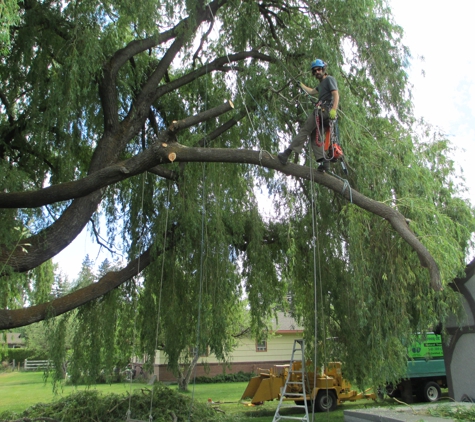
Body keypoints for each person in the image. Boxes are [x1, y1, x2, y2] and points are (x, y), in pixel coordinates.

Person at [277, 59, 339, 172]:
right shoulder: (321, 85)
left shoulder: (329, 79)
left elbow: (336, 94)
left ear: (323, 69)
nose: (317, 72)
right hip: (323, 113)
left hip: (324, 111)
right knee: (314, 135)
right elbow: (311, 91)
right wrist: (301, 85)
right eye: (314, 71)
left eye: (319, 69)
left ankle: (286, 154)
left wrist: (334, 110)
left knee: (305, 130)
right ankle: (325, 163)